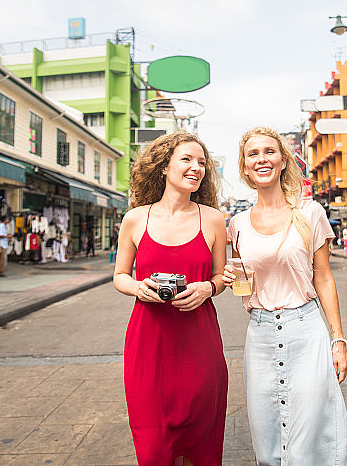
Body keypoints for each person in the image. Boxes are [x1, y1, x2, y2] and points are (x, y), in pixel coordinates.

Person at [223, 127, 347, 465]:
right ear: (245, 167)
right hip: (260, 334)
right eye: (253, 154)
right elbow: (242, 284)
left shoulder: (310, 213)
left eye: (270, 151)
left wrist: (338, 339)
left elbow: (323, 277)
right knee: (265, 430)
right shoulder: (236, 224)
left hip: (306, 330)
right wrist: (230, 277)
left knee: (312, 427)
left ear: (283, 160)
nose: (262, 158)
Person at [112, 132, 228, 466]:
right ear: (164, 166)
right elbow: (119, 276)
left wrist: (208, 288)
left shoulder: (214, 219)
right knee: (152, 448)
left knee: (201, 444)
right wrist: (138, 288)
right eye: (187, 159)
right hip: (148, 346)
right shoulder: (136, 218)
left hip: (200, 347)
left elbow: (221, 277)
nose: (197, 168)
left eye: (202, 163)